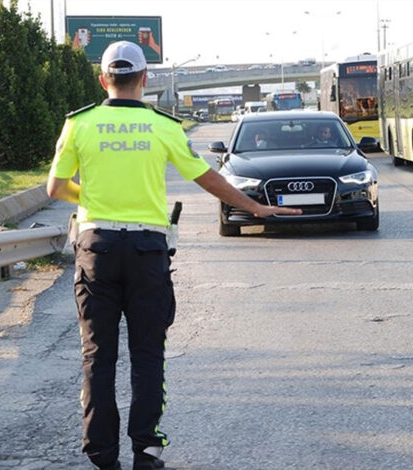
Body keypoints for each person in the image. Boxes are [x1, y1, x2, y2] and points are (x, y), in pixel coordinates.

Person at [46, 41, 300, 470]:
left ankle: (101, 454)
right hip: (147, 250)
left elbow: (55, 188)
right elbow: (206, 178)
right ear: (145, 80)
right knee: (147, 353)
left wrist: (91, 198)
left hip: (97, 250)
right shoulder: (163, 126)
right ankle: (146, 449)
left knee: (98, 354)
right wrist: (256, 207)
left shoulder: (80, 124)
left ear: (103, 79)